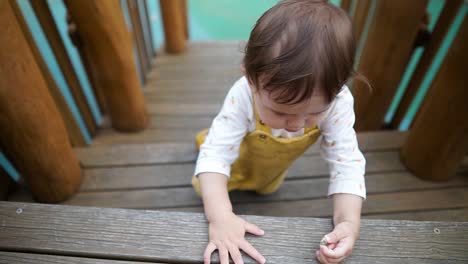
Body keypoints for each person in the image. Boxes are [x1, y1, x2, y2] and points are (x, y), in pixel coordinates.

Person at [192, 1, 366, 263]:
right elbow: (215, 156)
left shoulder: (338, 103)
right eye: (281, 112)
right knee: (206, 175)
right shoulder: (243, 95)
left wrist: (348, 222)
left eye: (312, 114)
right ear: (251, 80)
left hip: (269, 172)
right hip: (230, 164)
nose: (296, 125)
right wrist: (221, 217)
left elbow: (347, 164)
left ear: (339, 88)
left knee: (266, 188)